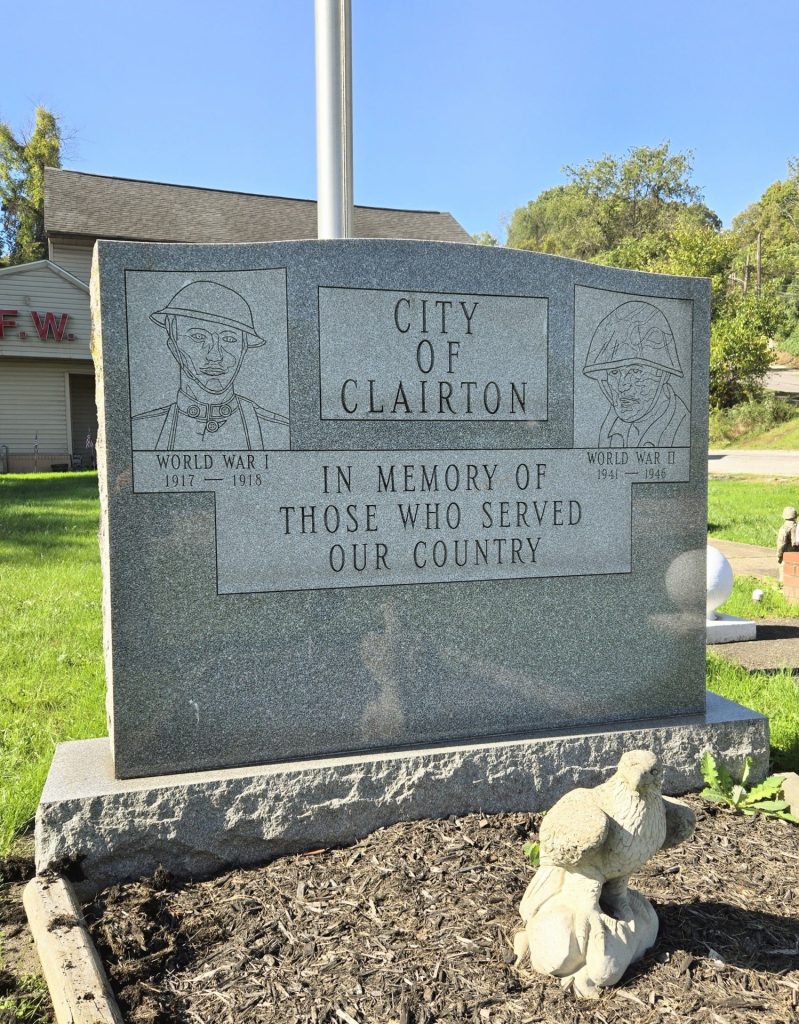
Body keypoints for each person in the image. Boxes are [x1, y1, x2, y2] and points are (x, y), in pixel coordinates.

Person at [132, 280, 289, 450]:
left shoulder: (278, 429)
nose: (215, 355)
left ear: (243, 349)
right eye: (198, 337)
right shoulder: (141, 429)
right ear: (174, 346)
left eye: (229, 339)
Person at [583, 301, 689, 448]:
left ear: (662, 373)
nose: (622, 386)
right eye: (614, 372)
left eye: (635, 371)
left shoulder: (683, 426)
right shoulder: (609, 428)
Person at [777, 506, 798, 581]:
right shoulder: (797, 527)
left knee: (784, 575)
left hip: (787, 555)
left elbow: (781, 544)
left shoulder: (784, 528)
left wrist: (779, 555)